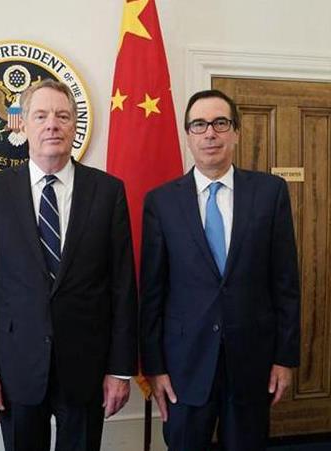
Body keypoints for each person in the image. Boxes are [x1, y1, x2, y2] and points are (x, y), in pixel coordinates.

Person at [0, 79, 138, 451]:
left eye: (62, 116)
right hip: (16, 366)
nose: (52, 125)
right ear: (23, 124)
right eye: (40, 116)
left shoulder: (108, 191)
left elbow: (123, 287)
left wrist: (120, 369)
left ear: (74, 125)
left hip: (87, 365)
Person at [140, 89, 300, 450]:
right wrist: (155, 368)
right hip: (183, 365)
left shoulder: (270, 193)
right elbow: (152, 292)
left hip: (252, 361)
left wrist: (285, 358)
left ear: (236, 132)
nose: (210, 133)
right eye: (199, 124)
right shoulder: (161, 202)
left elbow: (286, 283)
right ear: (188, 135)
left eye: (220, 123)